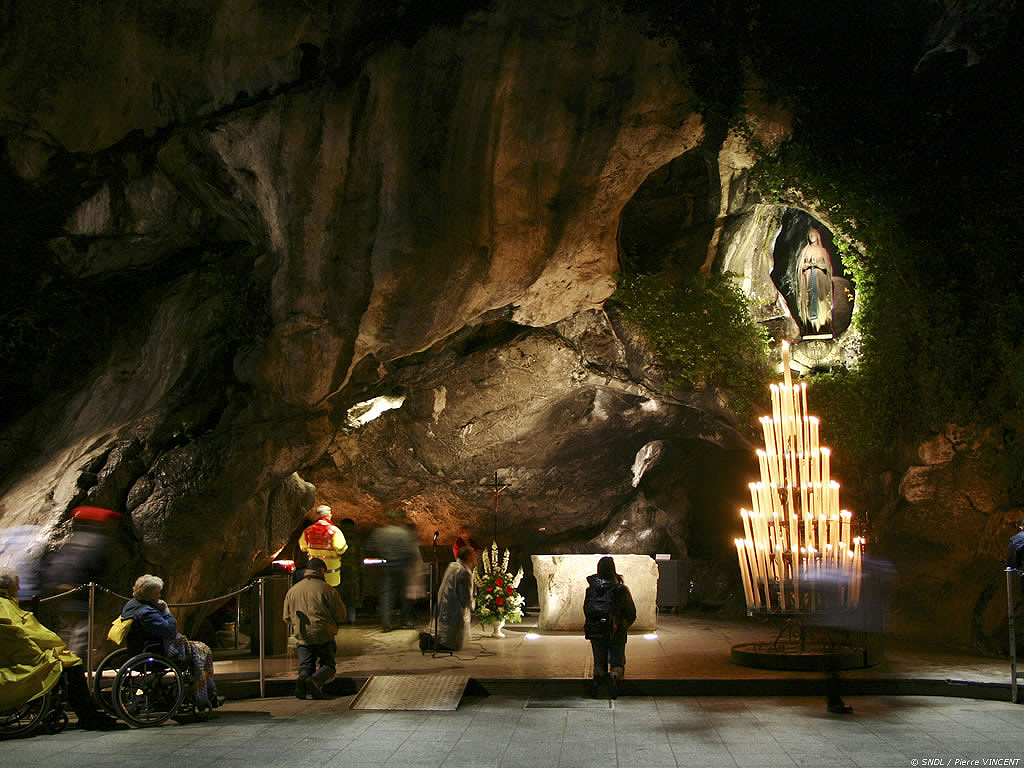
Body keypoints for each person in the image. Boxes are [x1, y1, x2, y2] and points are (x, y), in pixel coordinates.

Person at [0, 567, 116, 730]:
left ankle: (87, 714)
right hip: (22, 660)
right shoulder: (5, 607)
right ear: (9, 586)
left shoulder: (6, 606)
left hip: (14, 655)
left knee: (69, 660)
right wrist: (47, 653)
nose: (19, 589)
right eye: (17, 585)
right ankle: (88, 715)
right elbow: (20, 638)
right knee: (74, 663)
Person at [120, 574, 222, 711]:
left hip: (141, 646)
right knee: (203, 650)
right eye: (157, 593)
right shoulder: (146, 613)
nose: (159, 595)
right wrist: (166, 610)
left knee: (200, 648)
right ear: (150, 595)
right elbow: (171, 630)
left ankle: (208, 692)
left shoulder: (132, 605)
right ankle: (203, 695)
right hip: (160, 649)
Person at [39, 506, 121, 658]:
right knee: (82, 636)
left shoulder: (74, 539)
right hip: (83, 598)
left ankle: (62, 667)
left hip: (63, 594)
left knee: (66, 633)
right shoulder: (98, 541)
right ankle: (75, 672)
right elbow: (96, 569)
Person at [283, 558, 346, 700]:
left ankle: (302, 680)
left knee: (306, 665)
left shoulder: (292, 591)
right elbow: (341, 615)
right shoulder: (328, 589)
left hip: (302, 636)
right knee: (328, 665)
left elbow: (286, 617)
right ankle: (316, 680)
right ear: (321, 571)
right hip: (324, 634)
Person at [583, 556, 636, 699]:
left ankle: (597, 687)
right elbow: (631, 613)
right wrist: (622, 626)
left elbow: (586, 610)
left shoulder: (591, 590)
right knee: (617, 661)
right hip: (616, 631)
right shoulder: (621, 589)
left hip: (596, 631)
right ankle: (614, 681)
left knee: (599, 663)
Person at [365, 518, 417, 631]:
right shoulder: (404, 533)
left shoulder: (379, 532)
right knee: (405, 596)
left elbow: (369, 548)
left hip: (386, 567)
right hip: (402, 567)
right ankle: (405, 621)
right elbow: (410, 551)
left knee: (386, 596)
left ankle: (386, 623)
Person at [435, 546, 476, 651]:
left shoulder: (452, 566)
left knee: (446, 630)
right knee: (453, 640)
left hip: (446, 603)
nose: (475, 556)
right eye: (473, 554)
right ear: (468, 557)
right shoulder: (464, 572)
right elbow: (465, 595)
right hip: (455, 607)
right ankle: (446, 645)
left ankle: (443, 643)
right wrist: (471, 606)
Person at [299, 505, 348, 591]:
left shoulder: (308, 530)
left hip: (313, 575)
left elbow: (303, 547)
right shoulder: (334, 531)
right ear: (329, 515)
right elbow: (341, 549)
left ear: (317, 516)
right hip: (331, 577)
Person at [338, 518, 361, 624]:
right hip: (353, 571)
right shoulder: (356, 539)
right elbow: (360, 556)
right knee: (352, 597)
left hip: (339, 570)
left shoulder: (338, 537)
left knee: (340, 595)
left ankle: (341, 618)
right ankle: (352, 619)